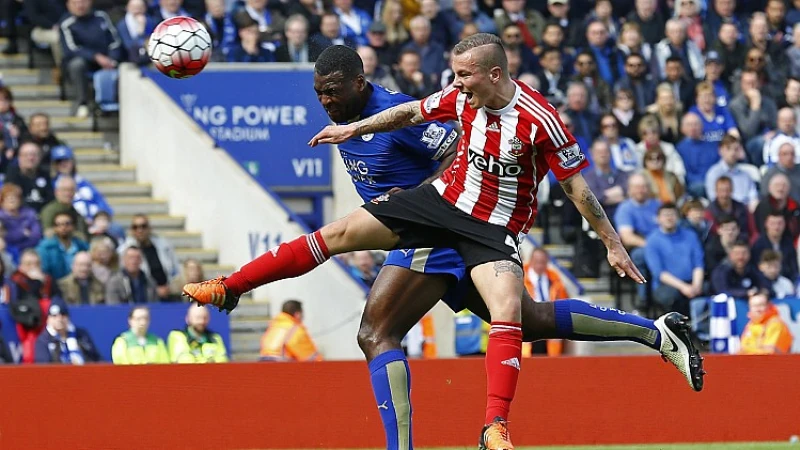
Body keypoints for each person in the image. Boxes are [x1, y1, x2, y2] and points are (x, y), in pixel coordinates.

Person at [183, 39, 704, 449]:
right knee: (526, 316)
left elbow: (575, 185)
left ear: (494, 73)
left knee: (382, 331)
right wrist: (355, 129)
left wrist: (612, 244)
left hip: (484, 227)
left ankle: (488, 427)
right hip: (439, 205)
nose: (457, 85)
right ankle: (656, 334)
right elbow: (413, 112)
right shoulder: (455, 97)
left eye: (465, 75)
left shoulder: (538, 120)